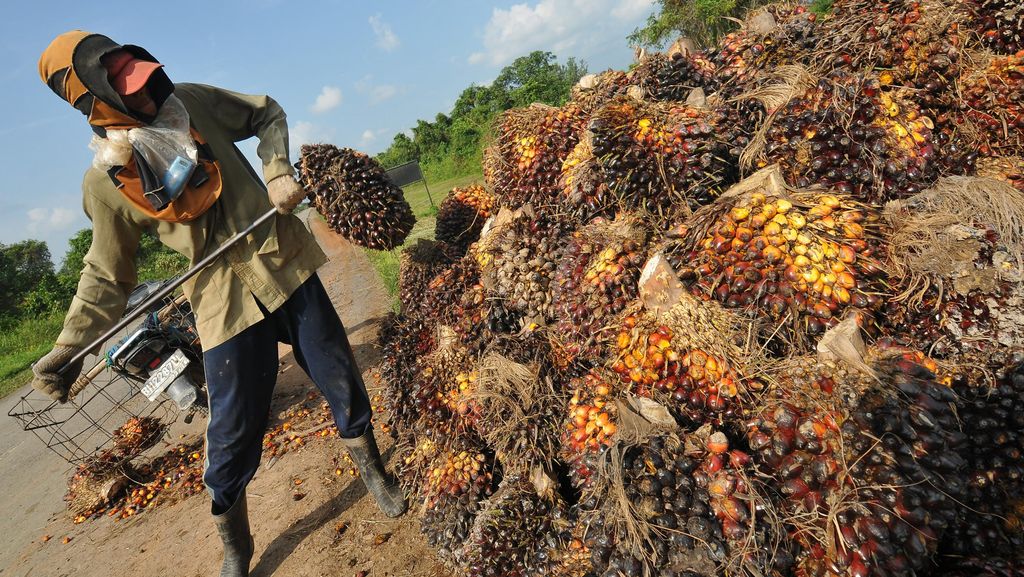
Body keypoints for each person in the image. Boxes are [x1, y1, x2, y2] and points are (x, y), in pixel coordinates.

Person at [32, 30, 406, 577]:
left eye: (141, 75)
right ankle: (235, 543)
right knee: (231, 428)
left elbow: (266, 113)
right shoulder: (107, 181)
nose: (147, 92)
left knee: (337, 370)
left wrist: (276, 170)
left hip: (281, 260)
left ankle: (372, 468)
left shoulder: (193, 101)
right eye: (126, 89)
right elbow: (107, 272)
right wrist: (72, 345)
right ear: (93, 100)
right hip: (221, 299)